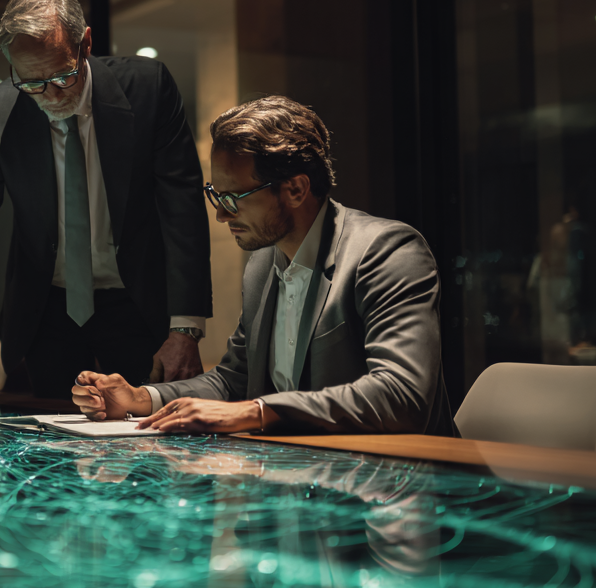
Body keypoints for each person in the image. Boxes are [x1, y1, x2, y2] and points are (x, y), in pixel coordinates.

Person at [0, 0, 212, 412]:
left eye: (62, 76)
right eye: (31, 82)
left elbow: (182, 207)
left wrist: (185, 328)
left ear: (86, 44)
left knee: (150, 439)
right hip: (47, 308)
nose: (52, 95)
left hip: (137, 301)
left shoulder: (148, 88)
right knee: (44, 443)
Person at [72, 95, 454, 436]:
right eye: (215, 195)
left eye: (233, 198)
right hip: (306, 474)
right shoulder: (261, 266)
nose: (221, 214)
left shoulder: (387, 252)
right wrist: (142, 398)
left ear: (296, 189)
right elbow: (233, 381)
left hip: (403, 478)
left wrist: (254, 413)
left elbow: (403, 394)